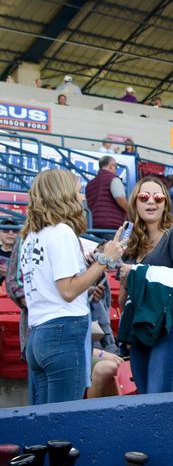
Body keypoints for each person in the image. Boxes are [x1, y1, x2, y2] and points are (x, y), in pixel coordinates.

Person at [19, 169, 125, 404]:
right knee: (63, 424)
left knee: (45, 425)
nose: (83, 197)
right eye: (78, 191)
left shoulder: (31, 237)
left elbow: (54, 289)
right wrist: (104, 260)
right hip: (62, 333)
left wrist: (87, 283)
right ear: (63, 194)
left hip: (38, 335)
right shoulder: (62, 232)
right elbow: (67, 291)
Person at [118, 176, 173, 393]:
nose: (151, 202)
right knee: (147, 401)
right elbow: (121, 300)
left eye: (158, 197)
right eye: (144, 197)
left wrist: (138, 272)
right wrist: (126, 277)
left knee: (159, 401)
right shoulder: (131, 243)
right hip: (142, 327)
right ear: (135, 202)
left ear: (165, 203)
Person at [84, 156, 129, 232]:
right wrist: (130, 211)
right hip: (111, 226)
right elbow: (120, 198)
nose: (116, 169)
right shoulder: (113, 179)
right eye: (116, 167)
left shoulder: (89, 184)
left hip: (93, 226)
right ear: (111, 166)